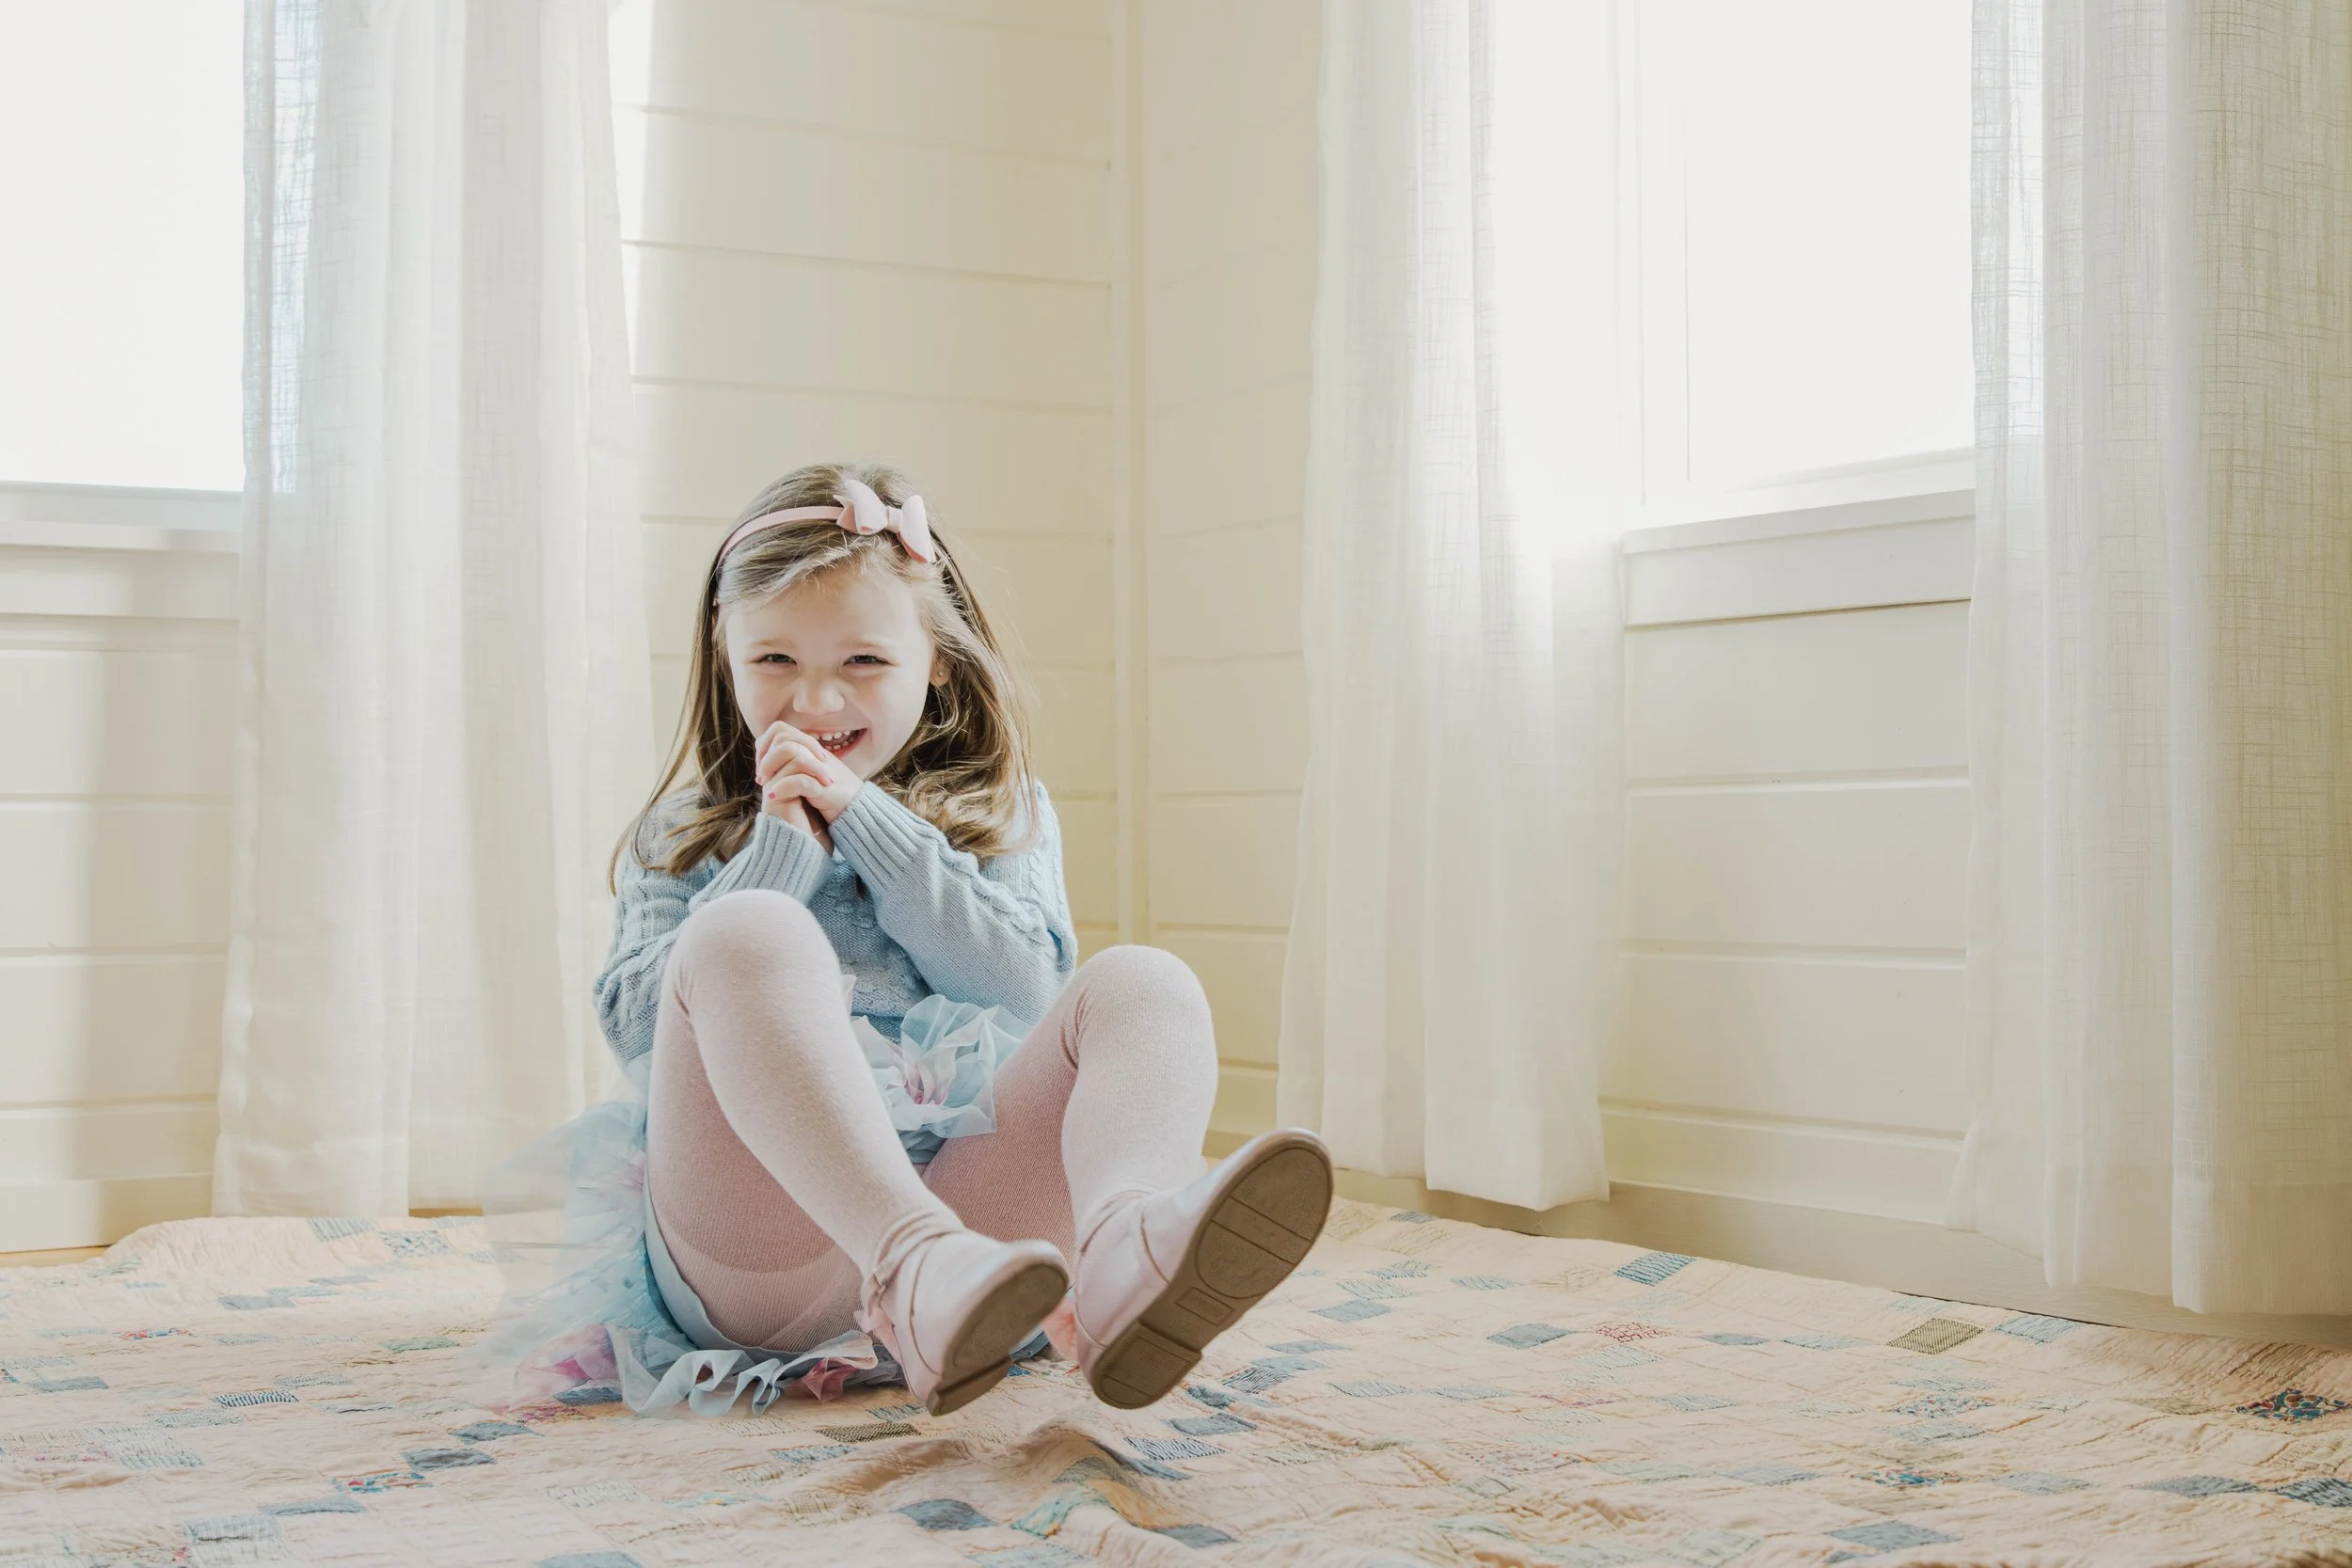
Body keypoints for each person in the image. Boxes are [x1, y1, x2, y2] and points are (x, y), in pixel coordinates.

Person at [484, 461, 1332, 1419]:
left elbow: (1024, 989)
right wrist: (773, 857)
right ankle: (908, 1256)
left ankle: (1120, 1252)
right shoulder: (681, 833)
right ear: (725, 658)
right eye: (773, 661)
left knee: (1145, 982)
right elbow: (644, 1034)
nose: (814, 702)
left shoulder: (996, 814)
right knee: (748, 929)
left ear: (935, 660)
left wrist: (874, 832)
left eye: (862, 662)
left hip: (984, 1263)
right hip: (763, 1267)